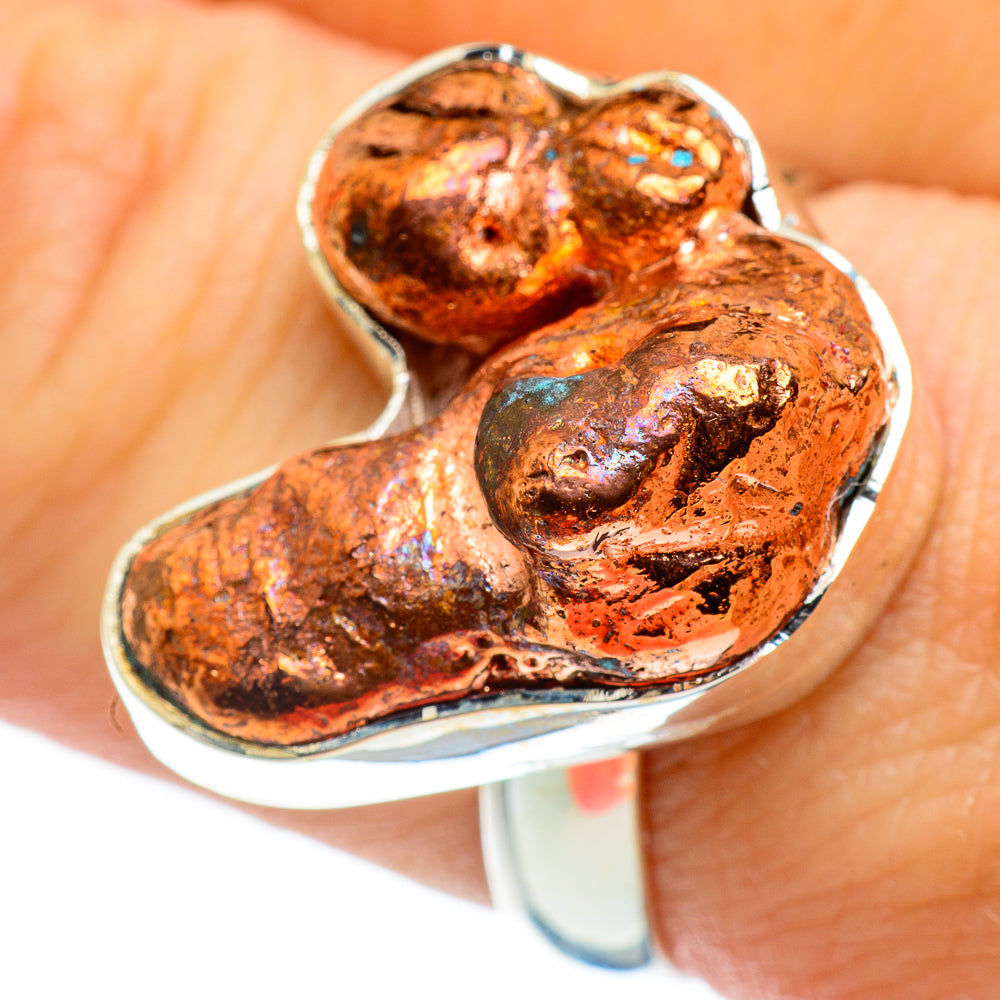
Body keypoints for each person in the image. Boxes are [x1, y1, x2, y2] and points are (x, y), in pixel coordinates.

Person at [1, 1, 996, 996]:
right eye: (278, 572)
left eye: (270, 523)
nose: (293, 497)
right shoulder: (557, 515)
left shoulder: (577, 404)